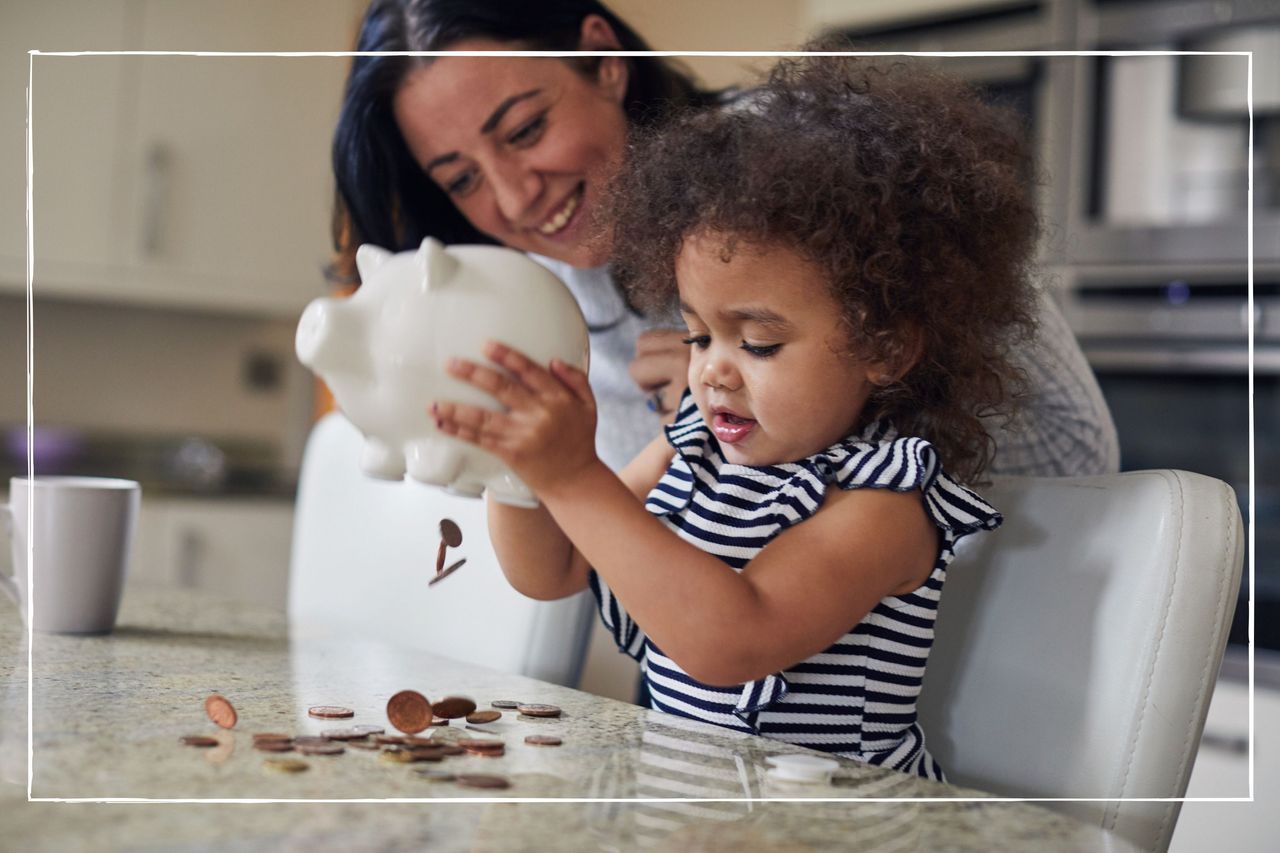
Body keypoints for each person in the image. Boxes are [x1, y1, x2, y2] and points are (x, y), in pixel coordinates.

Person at [429, 55, 1041, 779]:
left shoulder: (884, 502)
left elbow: (733, 638)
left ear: (886, 346)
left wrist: (573, 474)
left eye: (758, 342)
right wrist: (520, 467)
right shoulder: (688, 445)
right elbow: (553, 567)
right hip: (699, 808)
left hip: (840, 826)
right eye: (698, 334)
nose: (712, 369)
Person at [330, 0, 1119, 477]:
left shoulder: (800, 173)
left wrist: (798, 412)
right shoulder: (538, 292)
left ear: (603, 59)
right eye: (461, 178)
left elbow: (1073, 450)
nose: (512, 195)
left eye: (527, 128)